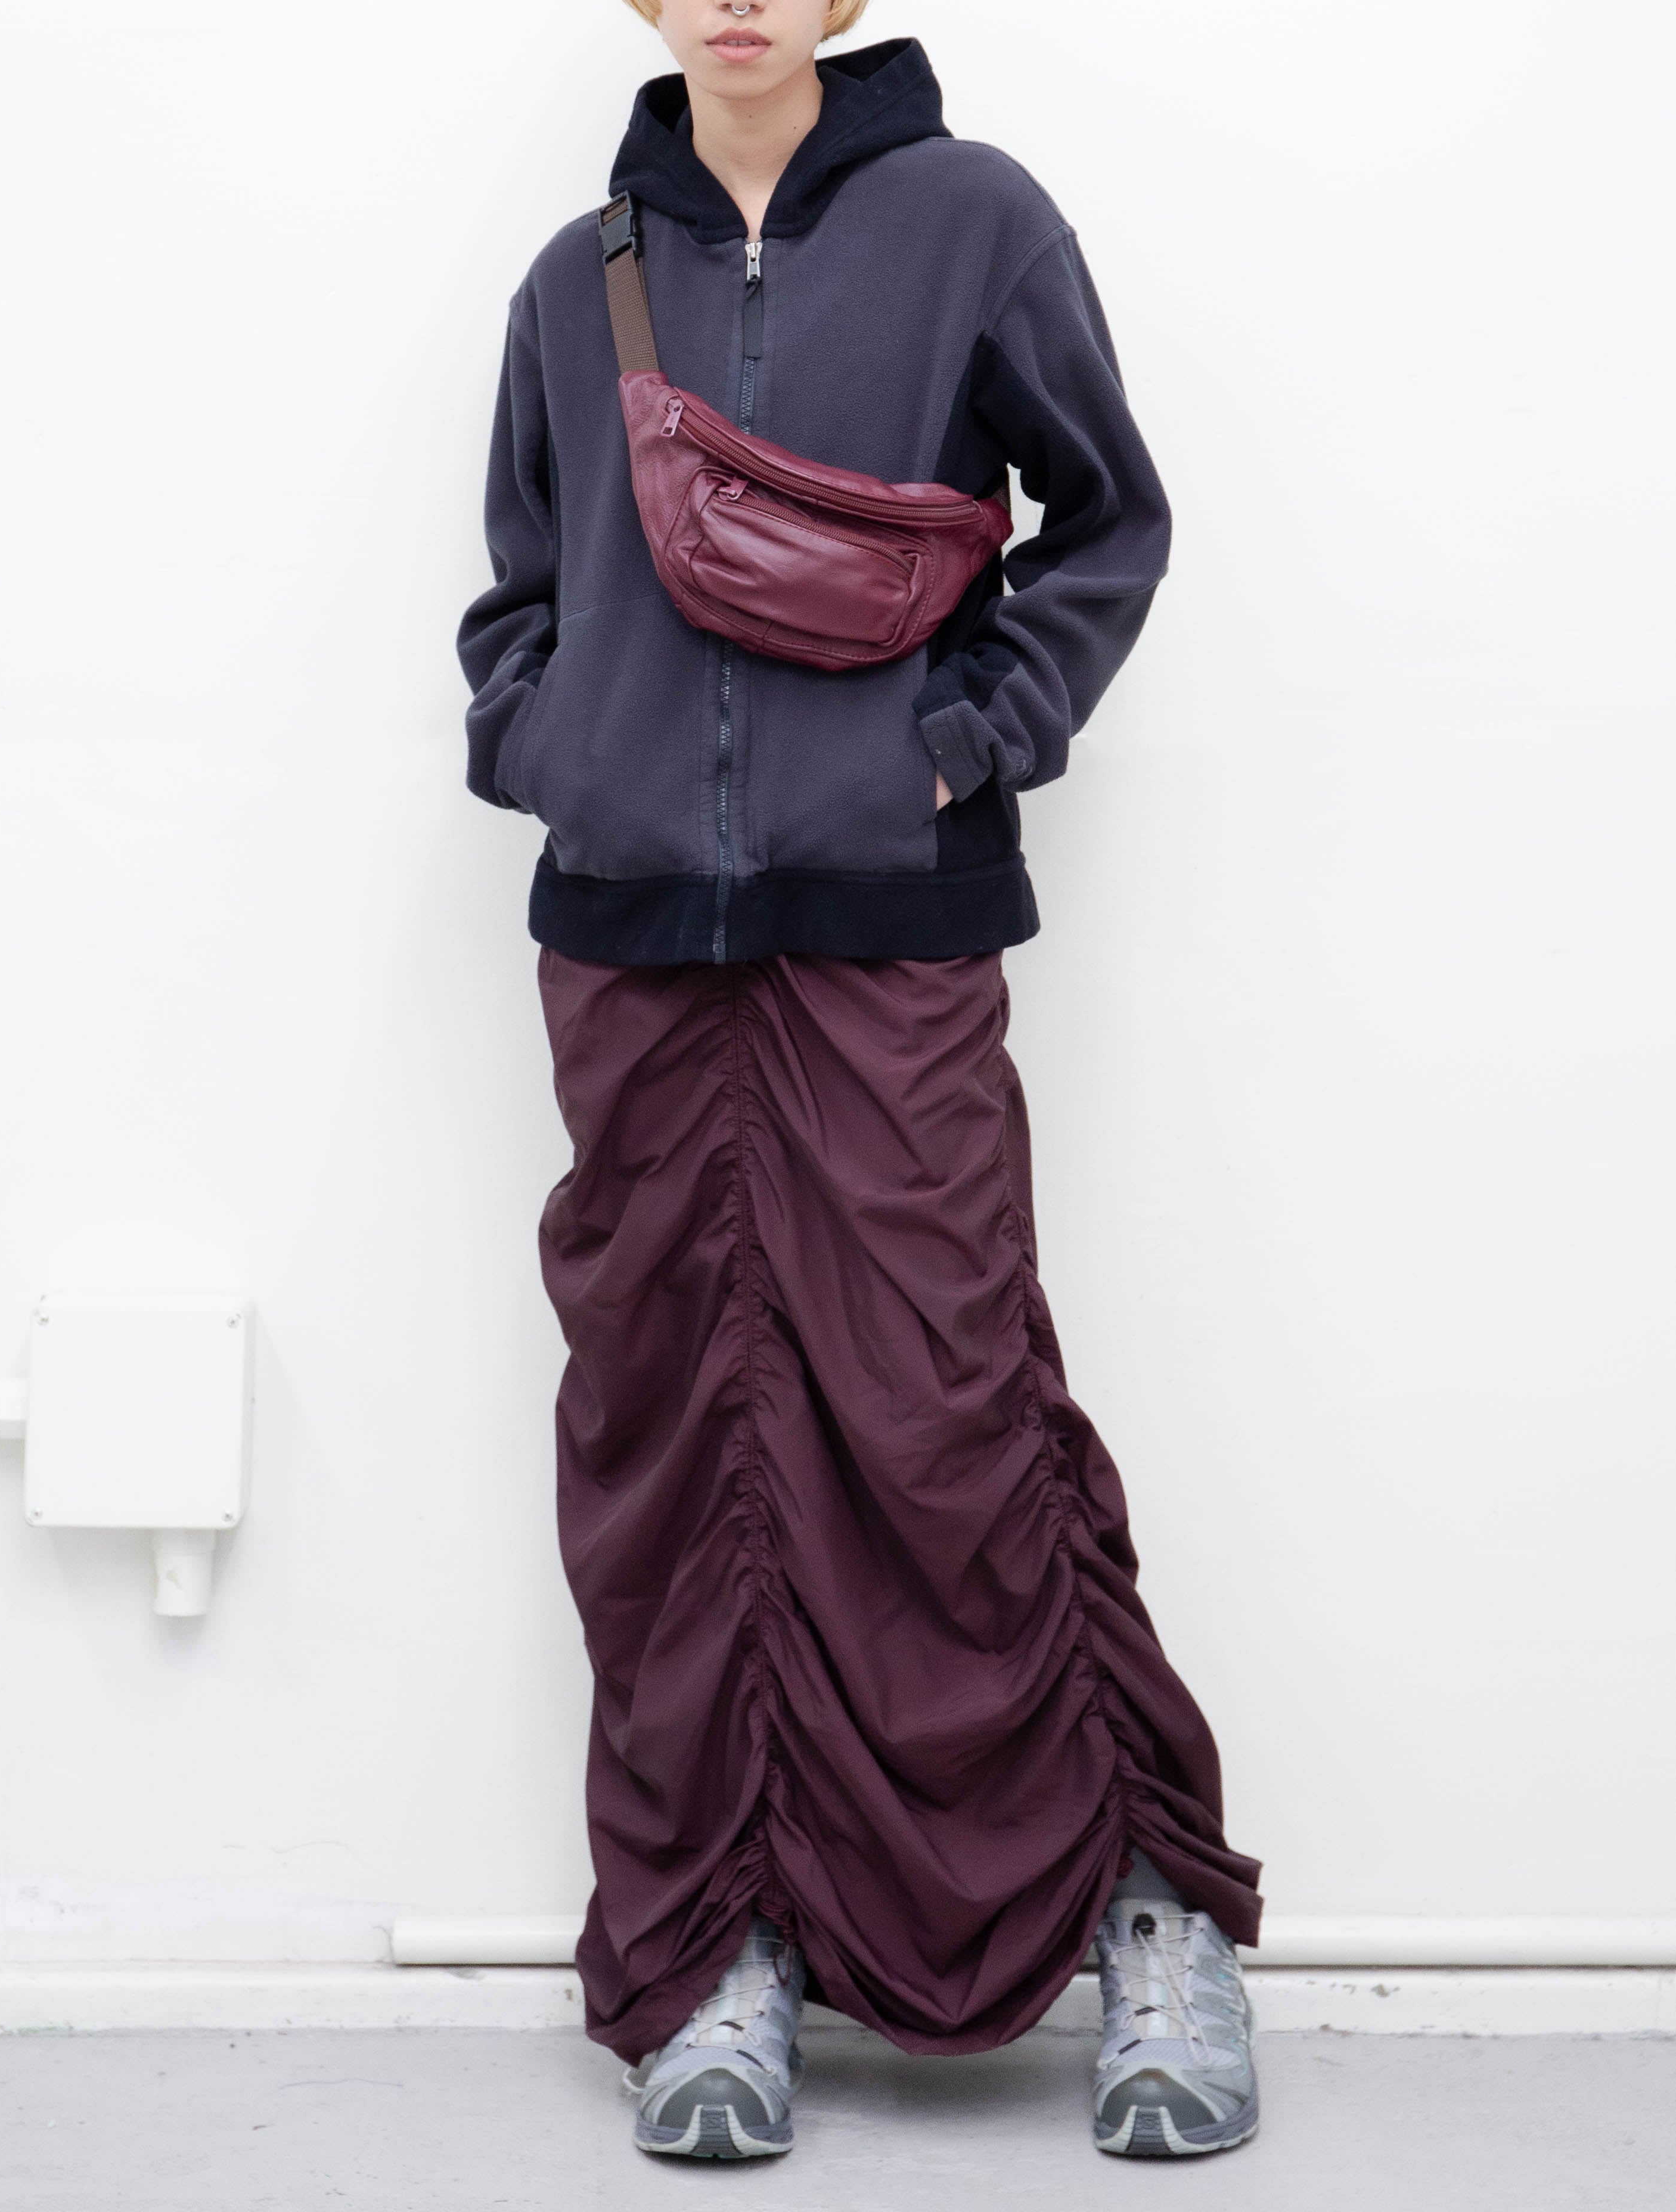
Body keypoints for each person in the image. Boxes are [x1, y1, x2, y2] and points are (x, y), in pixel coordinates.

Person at [458, 0, 1262, 2164]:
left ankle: (1149, 1906)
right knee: (667, 1436)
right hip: (629, 936)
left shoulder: (970, 222)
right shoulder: (575, 277)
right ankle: (718, 1949)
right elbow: (519, 597)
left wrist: (957, 745)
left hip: (889, 913)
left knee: (948, 1401)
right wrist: (559, 751)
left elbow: (1105, 526)